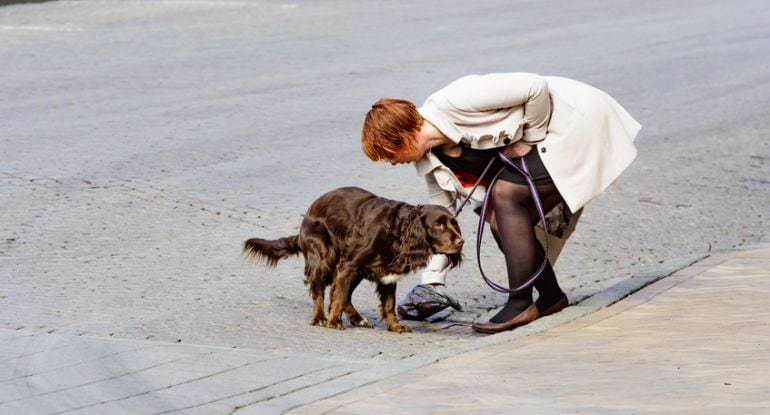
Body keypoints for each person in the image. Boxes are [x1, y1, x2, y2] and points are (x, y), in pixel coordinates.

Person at [361, 72, 641, 333]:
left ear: (404, 136)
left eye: (389, 154)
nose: (392, 163)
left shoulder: (456, 99)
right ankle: (551, 296)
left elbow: (535, 87)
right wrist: (432, 281)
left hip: (573, 122)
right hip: (548, 143)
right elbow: (440, 219)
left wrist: (530, 137)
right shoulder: (430, 161)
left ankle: (520, 304)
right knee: (499, 222)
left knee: (505, 194)